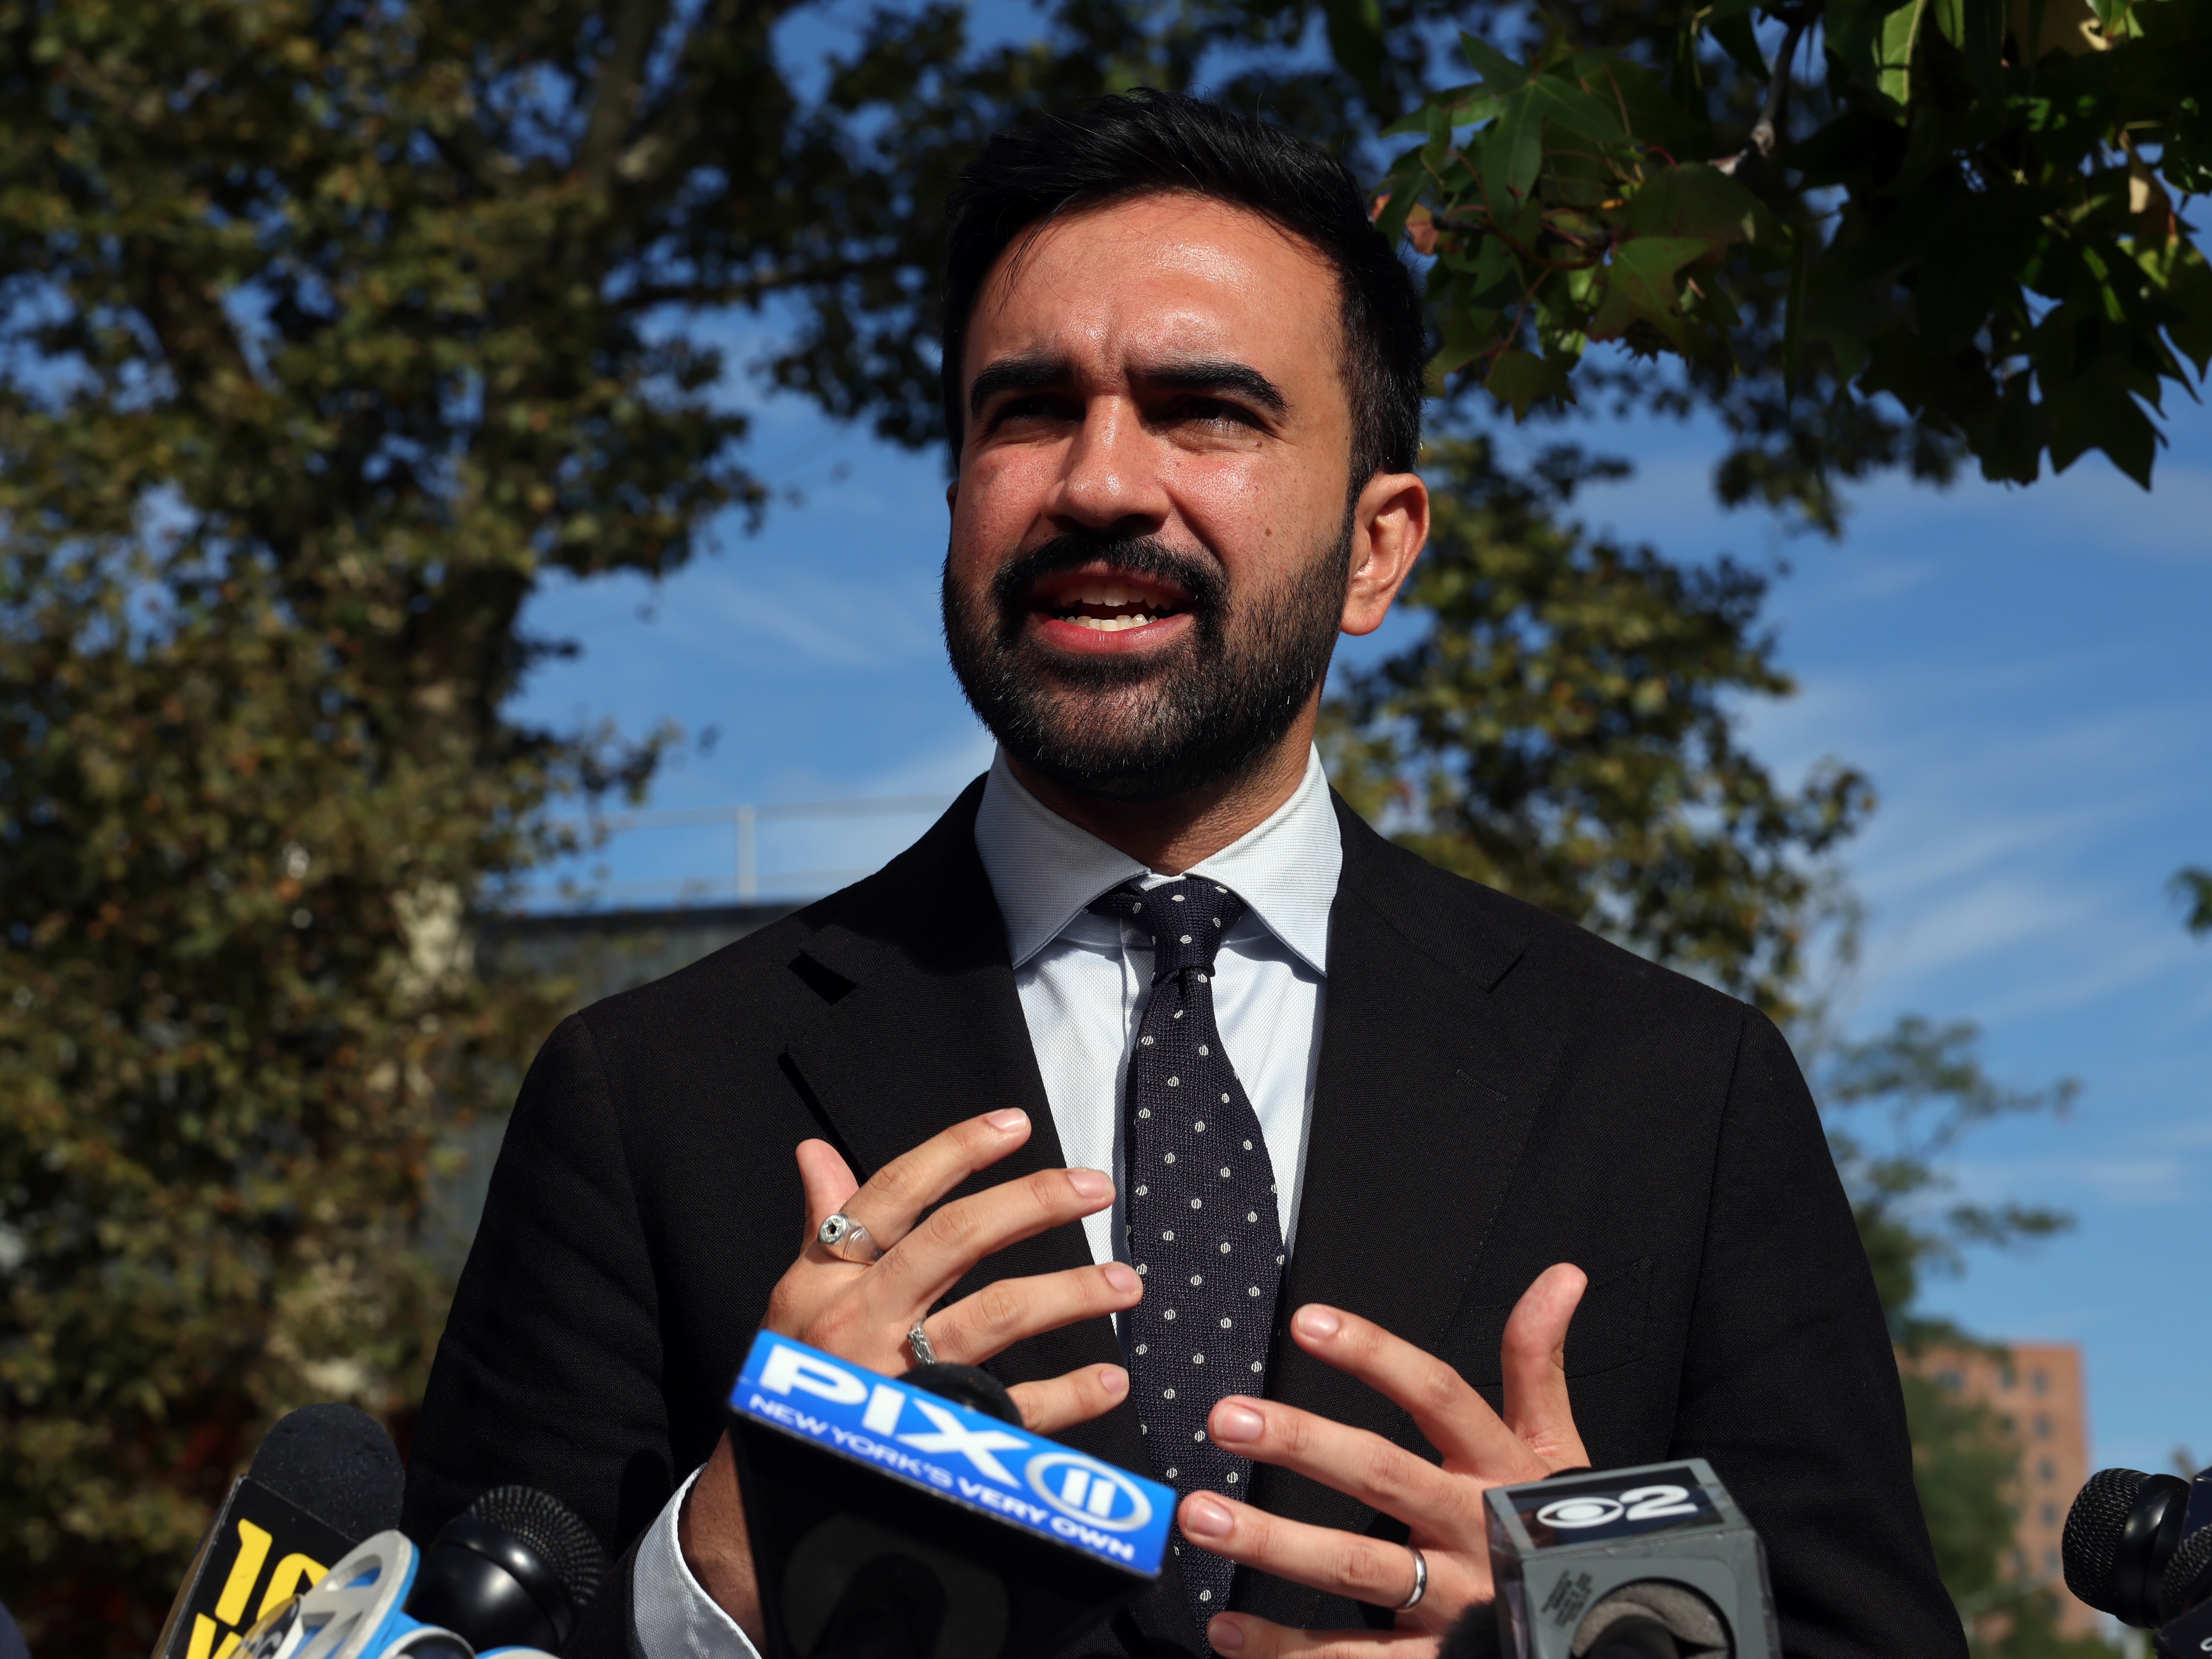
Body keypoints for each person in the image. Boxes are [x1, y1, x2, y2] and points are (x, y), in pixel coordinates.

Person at [404, 91, 1964, 1659]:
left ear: (1378, 546)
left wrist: (1606, 1637)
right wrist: (720, 1566)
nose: (1096, 481)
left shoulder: (1681, 1099)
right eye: (1023, 408)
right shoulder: (653, 1090)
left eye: (1205, 408)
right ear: (955, 506)